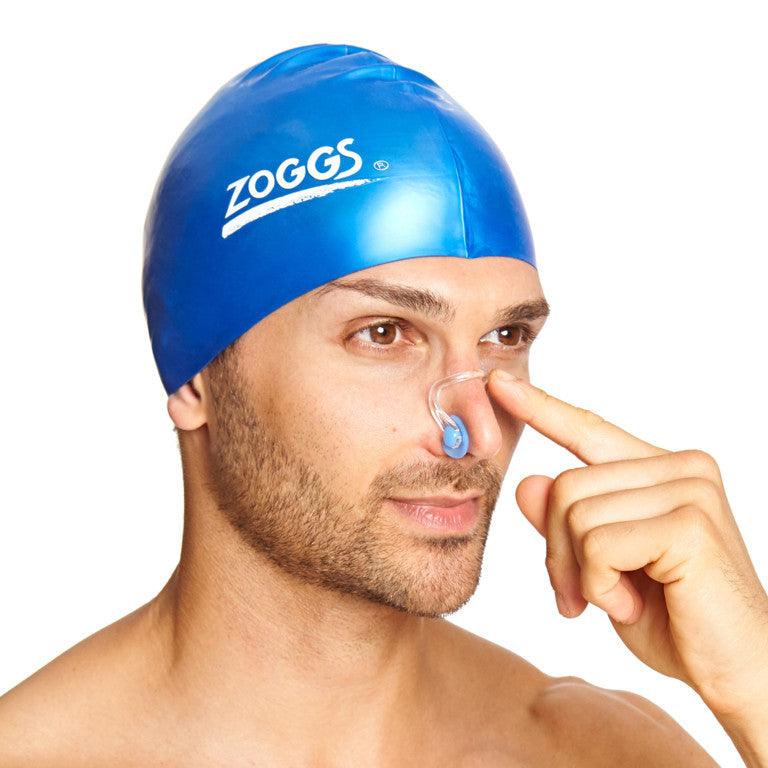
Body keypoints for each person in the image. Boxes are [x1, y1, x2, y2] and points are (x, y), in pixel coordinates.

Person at [2, 43, 765, 767]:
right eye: (384, 333)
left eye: (504, 336)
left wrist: (755, 683)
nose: (474, 432)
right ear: (196, 379)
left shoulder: (600, 753)